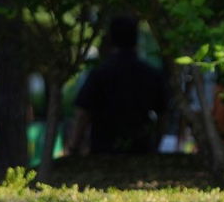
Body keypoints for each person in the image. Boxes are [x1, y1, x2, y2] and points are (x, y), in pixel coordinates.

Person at [69, 14, 167, 156]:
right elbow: (163, 115)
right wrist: (155, 145)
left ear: (111, 38)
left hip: (103, 150)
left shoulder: (99, 74)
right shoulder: (151, 73)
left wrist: (74, 146)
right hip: (141, 150)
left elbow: (83, 113)